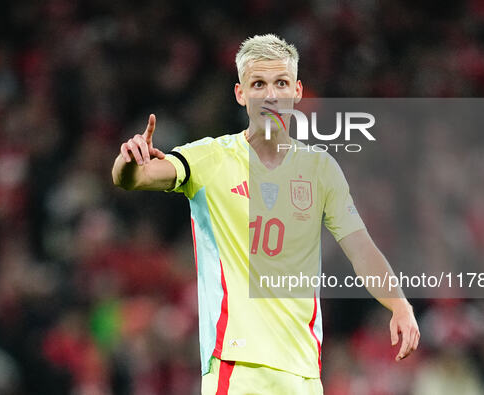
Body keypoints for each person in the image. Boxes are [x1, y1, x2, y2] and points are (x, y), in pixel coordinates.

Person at [112, 34, 419, 395]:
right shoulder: (210, 158)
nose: (271, 94)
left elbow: (361, 248)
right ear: (241, 93)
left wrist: (399, 304)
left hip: (304, 371)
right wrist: (128, 160)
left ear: (297, 91)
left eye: (281, 83)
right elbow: (136, 178)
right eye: (258, 84)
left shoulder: (320, 169)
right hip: (237, 366)